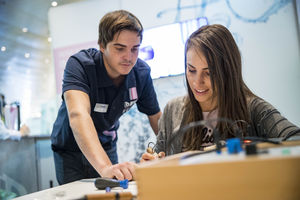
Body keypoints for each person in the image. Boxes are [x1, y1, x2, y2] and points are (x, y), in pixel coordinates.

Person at [141, 24, 300, 161]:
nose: (197, 82)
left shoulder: (254, 109)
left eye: (208, 73)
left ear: (227, 71)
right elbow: (160, 154)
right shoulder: (173, 110)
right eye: (191, 70)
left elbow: (295, 140)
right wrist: (152, 161)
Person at [51, 10, 162, 184]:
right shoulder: (80, 65)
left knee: (113, 189)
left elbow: (156, 116)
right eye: (120, 48)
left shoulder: (141, 73)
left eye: (135, 49)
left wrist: (170, 156)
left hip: (106, 145)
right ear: (102, 45)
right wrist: (105, 168)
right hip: (70, 151)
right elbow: (78, 115)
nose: (129, 57)